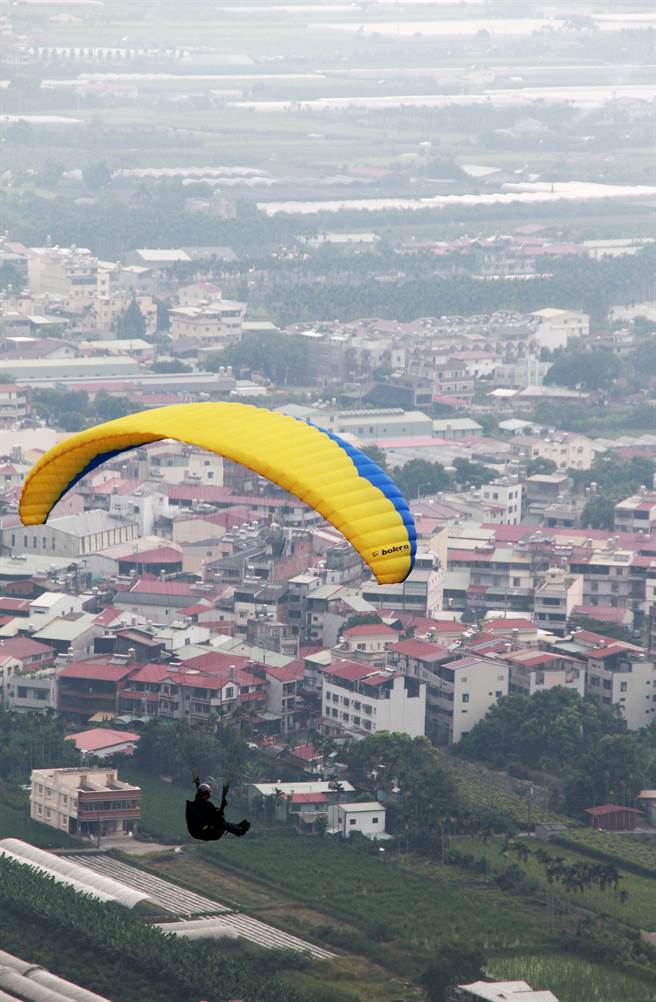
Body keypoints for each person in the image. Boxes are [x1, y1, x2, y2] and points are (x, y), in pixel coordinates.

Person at [185, 774, 251, 842]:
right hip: (204, 833)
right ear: (207, 794)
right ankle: (239, 831)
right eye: (209, 792)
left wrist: (198, 785)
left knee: (222, 822)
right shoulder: (207, 806)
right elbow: (219, 820)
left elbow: (200, 799)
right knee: (222, 824)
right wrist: (222, 806)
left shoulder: (194, 804)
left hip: (195, 832)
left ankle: (236, 827)